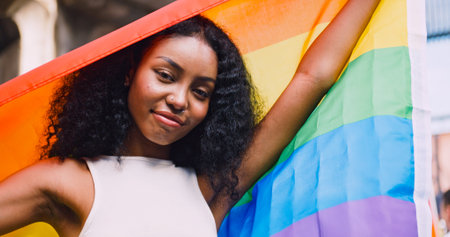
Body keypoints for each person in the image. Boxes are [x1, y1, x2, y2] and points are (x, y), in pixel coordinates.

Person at [0, 0, 380, 236]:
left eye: (201, 92)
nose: (180, 99)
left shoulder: (213, 186)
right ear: (130, 72)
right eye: (165, 75)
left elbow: (312, 79)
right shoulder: (65, 181)